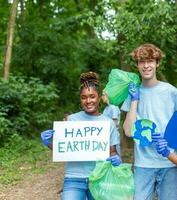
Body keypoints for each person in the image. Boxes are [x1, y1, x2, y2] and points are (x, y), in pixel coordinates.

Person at [121, 43, 177, 200]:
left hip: (169, 162)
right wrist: (134, 100)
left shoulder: (170, 91)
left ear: (157, 63)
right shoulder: (132, 93)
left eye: (150, 61)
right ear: (137, 65)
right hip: (143, 164)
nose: (146, 66)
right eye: (141, 62)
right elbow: (128, 131)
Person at [40, 72, 121, 200]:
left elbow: (112, 152)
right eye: (84, 97)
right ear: (80, 99)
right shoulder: (71, 120)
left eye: (92, 96)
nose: (88, 101)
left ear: (99, 98)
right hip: (73, 178)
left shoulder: (108, 122)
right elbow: (63, 150)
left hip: (99, 178)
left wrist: (116, 159)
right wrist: (48, 142)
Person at [101, 90, 121, 154]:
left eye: (103, 95)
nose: (102, 97)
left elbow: (114, 125)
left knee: (115, 158)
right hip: (106, 137)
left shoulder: (113, 107)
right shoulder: (106, 108)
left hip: (113, 138)